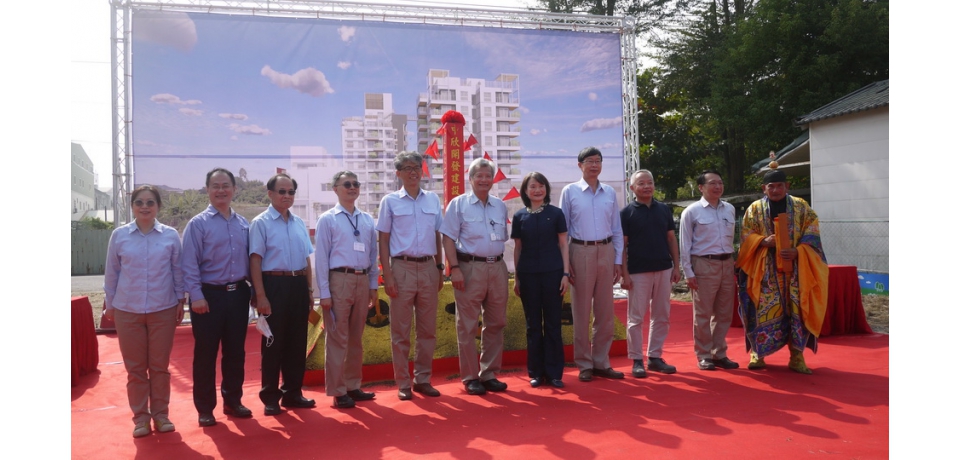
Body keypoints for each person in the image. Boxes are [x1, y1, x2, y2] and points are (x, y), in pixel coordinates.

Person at [103, 185, 185, 438]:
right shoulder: (119, 236)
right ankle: (141, 418)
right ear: (133, 206)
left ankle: (161, 415)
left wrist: (180, 300)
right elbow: (112, 272)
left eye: (150, 202)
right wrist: (110, 303)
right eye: (139, 202)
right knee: (136, 369)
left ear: (158, 206)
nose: (145, 206)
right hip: (128, 310)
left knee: (159, 367)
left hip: (163, 308)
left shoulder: (170, 236)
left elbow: (177, 270)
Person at [736, 169, 828, 374]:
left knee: (798, 309)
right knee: (759, 308)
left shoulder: (801, 206)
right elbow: (746, 234)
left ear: (787, 187)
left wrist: (798, 251)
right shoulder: (754, 209)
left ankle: (797, 355)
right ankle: (757, 353)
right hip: (764, 271)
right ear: (764, 188)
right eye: (771, 186)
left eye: (779, 185)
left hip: (796, 271)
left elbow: (812, 232)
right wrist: (761, 241)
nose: (775, 189)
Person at [181, 168, 253, 427]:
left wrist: (254, 293)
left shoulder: (243, 224)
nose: (221, 190)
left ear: (234, 189)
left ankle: (233, 401)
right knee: (205, 354)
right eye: (215, 186)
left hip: (238, 295)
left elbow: (251, 262)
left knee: (236, 353)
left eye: (226, 185)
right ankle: (205, 408)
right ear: (208, 190)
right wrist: (196, 296)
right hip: (208, 297)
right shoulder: (198, 224)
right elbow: (188, 264)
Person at [376, 152, 445, 401]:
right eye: (407, 168)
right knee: (401, 331)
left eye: (416, 167)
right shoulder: (390, 201)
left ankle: (423, 379)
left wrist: (440, 268)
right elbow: (383, 240)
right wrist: (388, 275)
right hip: (401, 269)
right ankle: (403, 382)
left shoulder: (433, 200)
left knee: (427, 331)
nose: (413, 172)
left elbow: (437, 235)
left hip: (428, 267)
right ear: (398, 174)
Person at [440, 158, 510, 396]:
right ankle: (470, 376)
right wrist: (455, 268)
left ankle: (488, 373)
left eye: (487, 176)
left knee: (497, 322)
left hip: (497, 268)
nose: (483, 180)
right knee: (467, 325)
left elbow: (502, 238)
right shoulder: (458, 204)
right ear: (470, 179)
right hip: (469, 268)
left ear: (493, 179)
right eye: (478, 175)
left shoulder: (500, 206)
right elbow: (448, 238)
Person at [249, 173, 316, 415]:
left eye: (290, 192)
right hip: (273, 286)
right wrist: (261, 295)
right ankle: (270, 397)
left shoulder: (298, 222)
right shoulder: (261, 223)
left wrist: (309, 290)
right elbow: (255, 261)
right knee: (273, 344)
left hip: (298, 285)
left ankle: (293, 393)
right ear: (270, 194)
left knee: (297, 342)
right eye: (282, 191)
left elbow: (307, 259)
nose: (286, 196)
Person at [314, 171, 380, 408]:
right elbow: (321, 258)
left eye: (355, 184)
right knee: (337, 338)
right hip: (338, 280)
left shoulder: (367, 219)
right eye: (347, 184)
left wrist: (374, 285)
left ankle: (353, 385)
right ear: (335, 189)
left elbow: (373, 255)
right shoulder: (328, 219)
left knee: (355, 338)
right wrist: (324, 293)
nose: (352, 188)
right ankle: (338, 390)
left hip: (362, 280)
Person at [558, 146, 625, 382]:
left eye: (598, 161)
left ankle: (601, 362)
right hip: (580, 251)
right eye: (589, 161)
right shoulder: (570, 191)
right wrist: (567, 265)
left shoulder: (609, 192)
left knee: (605, 312)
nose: (594, 165)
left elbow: (617, 229)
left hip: (606, 251)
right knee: (582, 310)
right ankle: (584, 363)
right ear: (580, 165)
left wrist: (617, 261)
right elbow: (562, 232)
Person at [620, 170, 681, 378]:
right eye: (641, 183)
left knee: (661, 315)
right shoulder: (626, 213)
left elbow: (671, 239)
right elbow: (622, 246)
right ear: (632, 188)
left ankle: (655, 357)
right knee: (635, 318)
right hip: (638, 272)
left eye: (650, 183)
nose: (647, 186)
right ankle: (637, 359)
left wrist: (677, 265)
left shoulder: (663, 209)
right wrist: (624, 274)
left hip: (664, 269)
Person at [511, 172, 570, 388]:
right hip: (527, 276)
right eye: (533, 186)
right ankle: (536, 372)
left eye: (541, 186)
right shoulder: (519, 217)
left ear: (546, 189)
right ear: (525, 191)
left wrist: (565, 274)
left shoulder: (556, 214)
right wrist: (516, 277)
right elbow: (518, 248)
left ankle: (555, 373)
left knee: (553, 324)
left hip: (553, 274)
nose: (537, 190)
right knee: (533, 325)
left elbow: (563, 244)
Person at [679, 170, 739, 371]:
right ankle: (704, 355)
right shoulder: (692, 211)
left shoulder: (729, 209)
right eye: (712, 183)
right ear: (701, 187)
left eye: (720, 183)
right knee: (703, 313)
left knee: (724, 312)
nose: (717, 187)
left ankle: (719, 353)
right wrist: (688, 272)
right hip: (703, 264)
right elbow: (684, 245)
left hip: (727, 263)